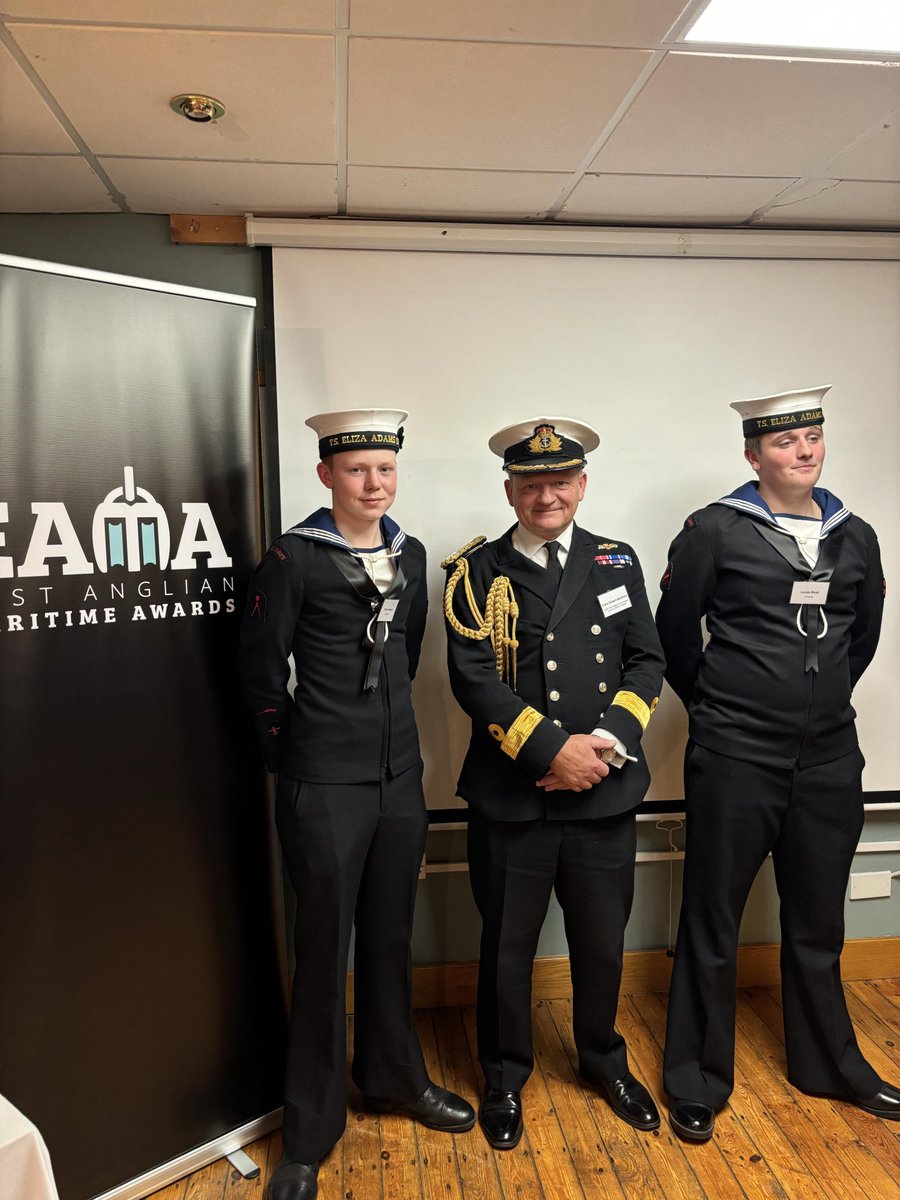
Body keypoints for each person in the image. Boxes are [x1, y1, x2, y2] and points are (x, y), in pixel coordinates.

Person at [239, 410, 475, 1200]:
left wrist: (382, 755)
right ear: (325, 477)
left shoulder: (409, 553)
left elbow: (404, 652)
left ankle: (393, 1079)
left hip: (398, 779)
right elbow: (263, 678)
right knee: (321, 957)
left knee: (387, 938)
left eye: (385, 469)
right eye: (357, 471)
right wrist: (303, 763)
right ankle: (308, 1133)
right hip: (324, 784)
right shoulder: (293, 557)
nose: (374, 484)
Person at [656, 386, 899, 1143]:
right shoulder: (716, 531)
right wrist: (727, 709)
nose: (806, 451)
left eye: (814, 438)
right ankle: (696, 1078)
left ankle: (829, 1065)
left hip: (828, 758)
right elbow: (674, 635)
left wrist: (812, 705)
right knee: (713, 922)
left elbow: (860, 638)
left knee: (818, 923)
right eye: (788, 442)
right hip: (735, 756)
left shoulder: (853, 534)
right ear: (753, 454)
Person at [442, 417, 665, 1149]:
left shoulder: (615, 561)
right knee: (507, 945)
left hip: (604, 786)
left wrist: (606, 743)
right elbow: (473, 680)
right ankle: (504, 1076)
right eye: (531, 484)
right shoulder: (475, 573)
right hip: (514, 794)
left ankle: (603, 1060)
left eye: (560, 482)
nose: (547, 496)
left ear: (582, 485)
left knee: (602, 943)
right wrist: (550, 752)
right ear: (509, 489)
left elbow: (646, 662)